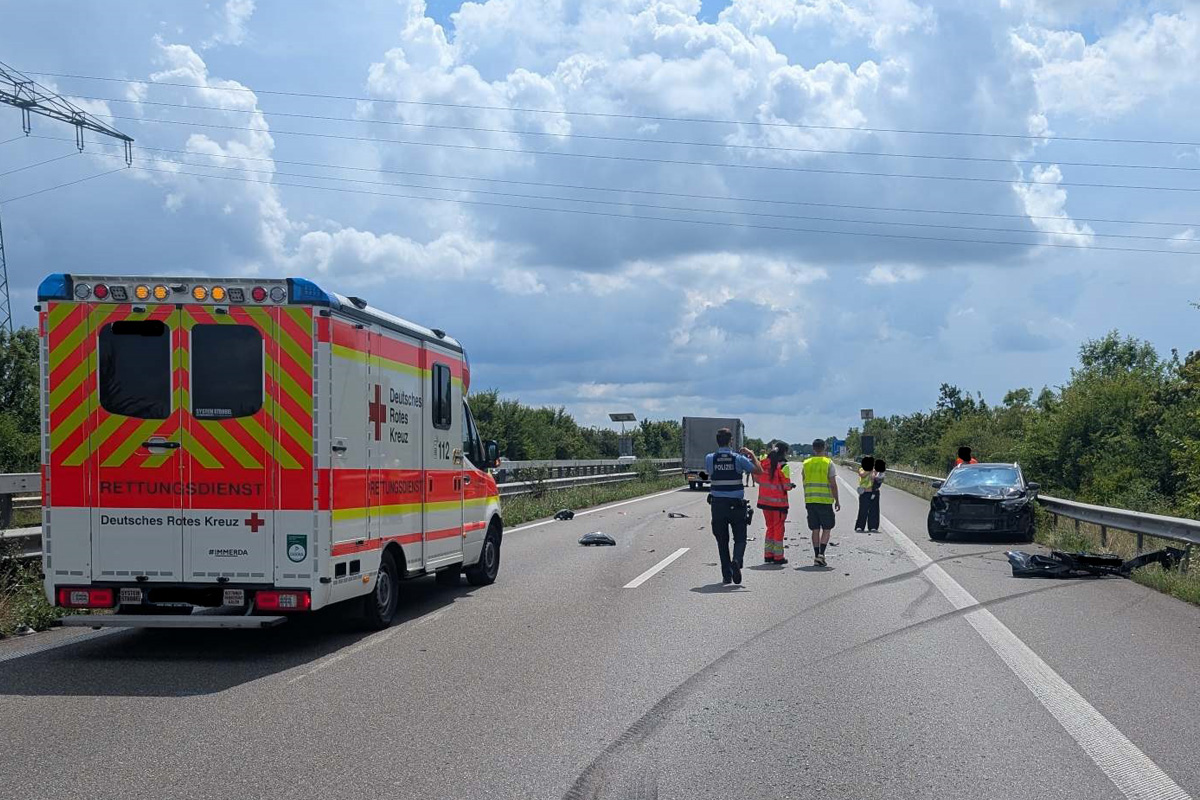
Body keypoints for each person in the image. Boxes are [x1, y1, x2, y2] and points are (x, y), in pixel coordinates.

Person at [706, 428, 763, 585]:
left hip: (718, 505)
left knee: (722, 541)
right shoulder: (738, 458)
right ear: (731, 441)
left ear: (717, 441)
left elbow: (710, 473)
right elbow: (759, 471)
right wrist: (751, 454)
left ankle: (727, 575)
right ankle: (737, 561)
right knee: (740, 538)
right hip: (736, 506)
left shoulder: (710, 458)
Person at [802, 439, 840, 567]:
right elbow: (833, 484)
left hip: (810, 500)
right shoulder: (828, 463)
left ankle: (816, 554)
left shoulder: (806, 463)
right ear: (824, 448)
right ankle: (821, 554)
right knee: (827, 528)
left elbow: (804, 481)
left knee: (815, 529)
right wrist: (837, 500)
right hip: (825, 501)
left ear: (813, 449)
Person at [757, 442, 794, 564]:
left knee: (770, 528)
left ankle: (768, 555)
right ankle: (778, 557)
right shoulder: (783, 466)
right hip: (778, 504)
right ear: (785, 452)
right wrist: (791, 485)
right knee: (778, 529)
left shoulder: (764, 464)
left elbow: (758, 478)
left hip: (765, 502)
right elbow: (786, 486)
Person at [854, 456, 876, 532]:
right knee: (863, 510)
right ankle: (860, 526)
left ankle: (872, 526)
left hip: (872, 492)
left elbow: (874, 478)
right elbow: (862, 474)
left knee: (872, 510)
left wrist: (873, 472)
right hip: (864, 492)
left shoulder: (873, 470)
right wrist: (870, 470)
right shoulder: (861, 469)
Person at [866, 459, 886, 532]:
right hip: (867, 490)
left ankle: (873, 526)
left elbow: (878, 480)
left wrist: (874, 477)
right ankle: (864, 525)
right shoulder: (870, 470)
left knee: (875, 509)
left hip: (875, 491)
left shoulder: (881, 473)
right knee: (866, 509)